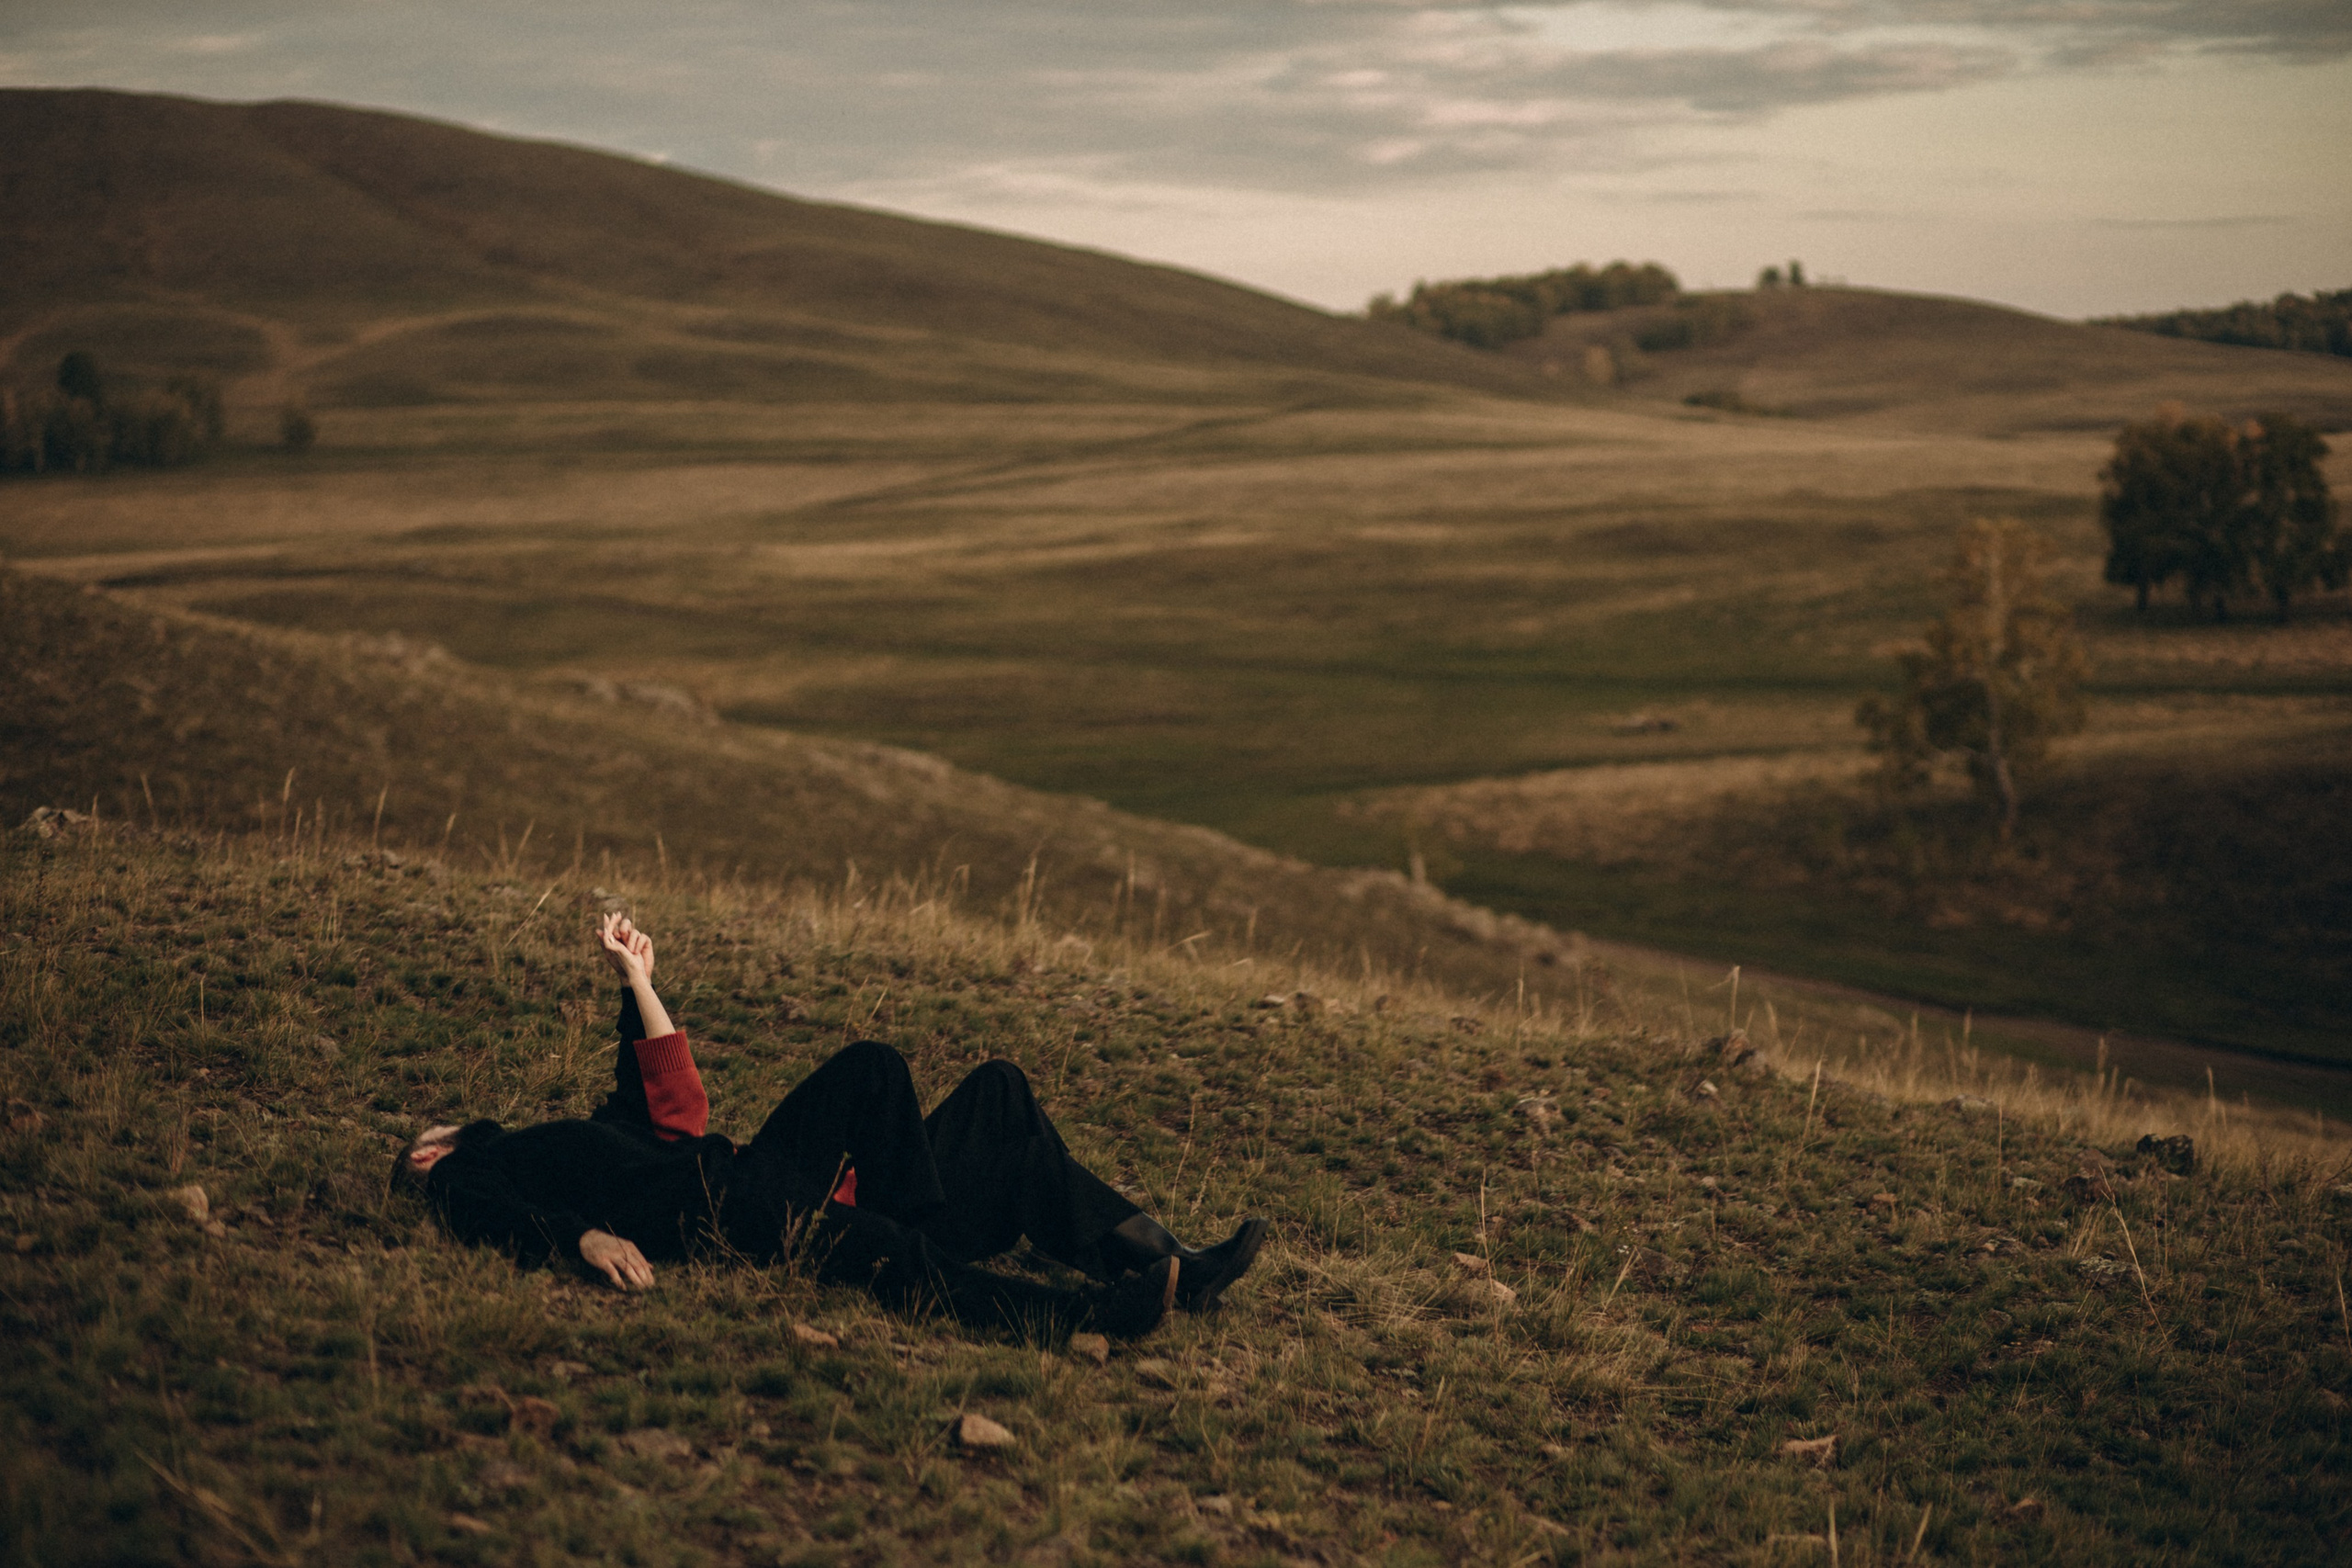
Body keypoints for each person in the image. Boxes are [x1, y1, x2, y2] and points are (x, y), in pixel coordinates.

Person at [391, 914, 1267, 1340]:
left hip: (748, 1170)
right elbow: (477, 1210)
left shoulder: (580, 1142)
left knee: (985, 1093)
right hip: (728, 1204)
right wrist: (578, 1235)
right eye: (427, 1136)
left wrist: (637, 982)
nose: (436, 1133)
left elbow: (665, 1106)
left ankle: (1173, 1269)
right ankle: (1084, 1316)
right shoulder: (476, 1168)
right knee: (922, 1195)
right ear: (429, 1154)